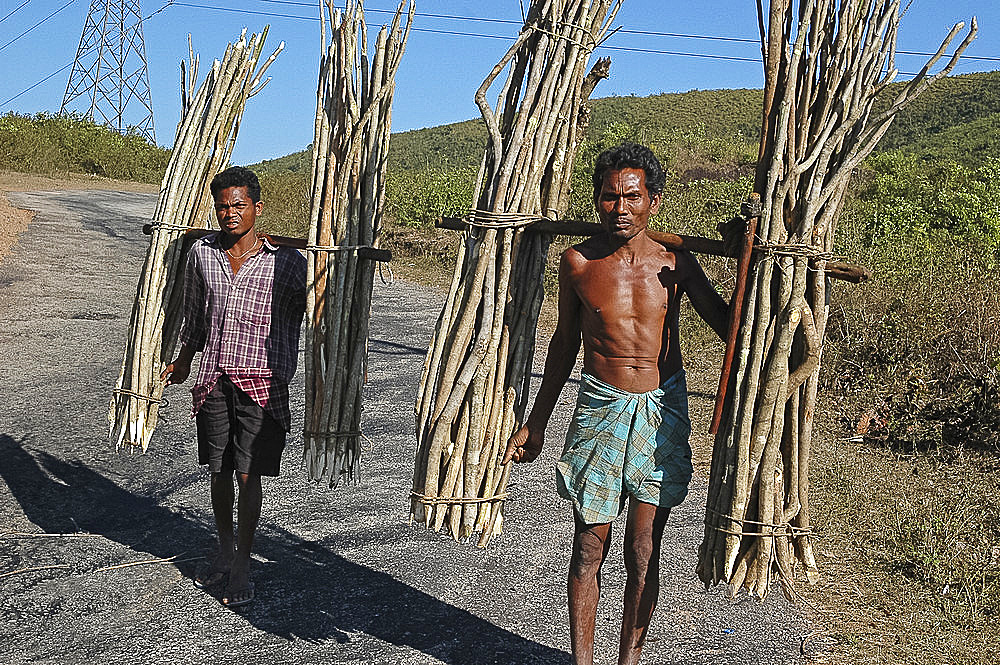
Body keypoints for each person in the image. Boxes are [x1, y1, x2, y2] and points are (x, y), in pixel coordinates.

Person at [504, 143, 729, 665]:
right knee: (589, 543)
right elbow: (563, 344)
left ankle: (630, 659)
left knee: (643, 547)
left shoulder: (676, 261)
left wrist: (748, 262)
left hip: (662, 407)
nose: (620, 209)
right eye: (609, 198)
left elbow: (728, 325)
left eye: (632, 196)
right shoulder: (579, 262)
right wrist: (536, 423)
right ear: (598, 200)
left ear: (652, 199)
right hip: (600, 405)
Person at [161, 166, 307, 609]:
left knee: (249, 471)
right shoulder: (202, 254)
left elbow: (318, 313)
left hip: (263, 382)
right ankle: (225, 547)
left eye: (238, 205)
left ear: (257, 208)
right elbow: (194, 315)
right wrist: (185, 360)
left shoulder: (287, 261)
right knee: (219, 470)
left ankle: (243, 561)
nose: (229, 213)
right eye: (222, 205)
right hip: (215, 378)